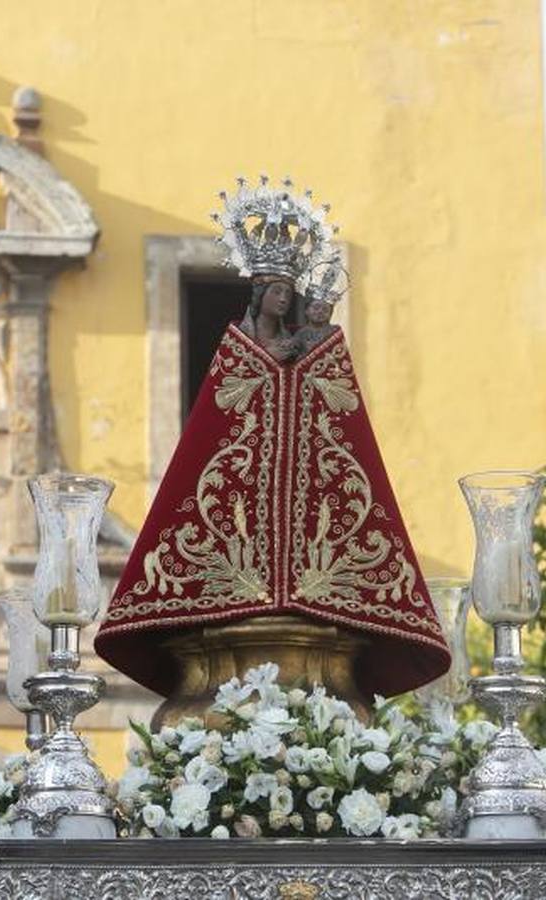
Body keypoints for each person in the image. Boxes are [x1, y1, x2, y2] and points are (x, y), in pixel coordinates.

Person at [96, 178, 451, 701]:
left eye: (291, 292)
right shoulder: (237, 352)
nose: (285, 299)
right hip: (236, 560)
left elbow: (338, 422)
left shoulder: (311, 351)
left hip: (315, 584)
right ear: (260, 292)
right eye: (276, 291)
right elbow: (217, 431)